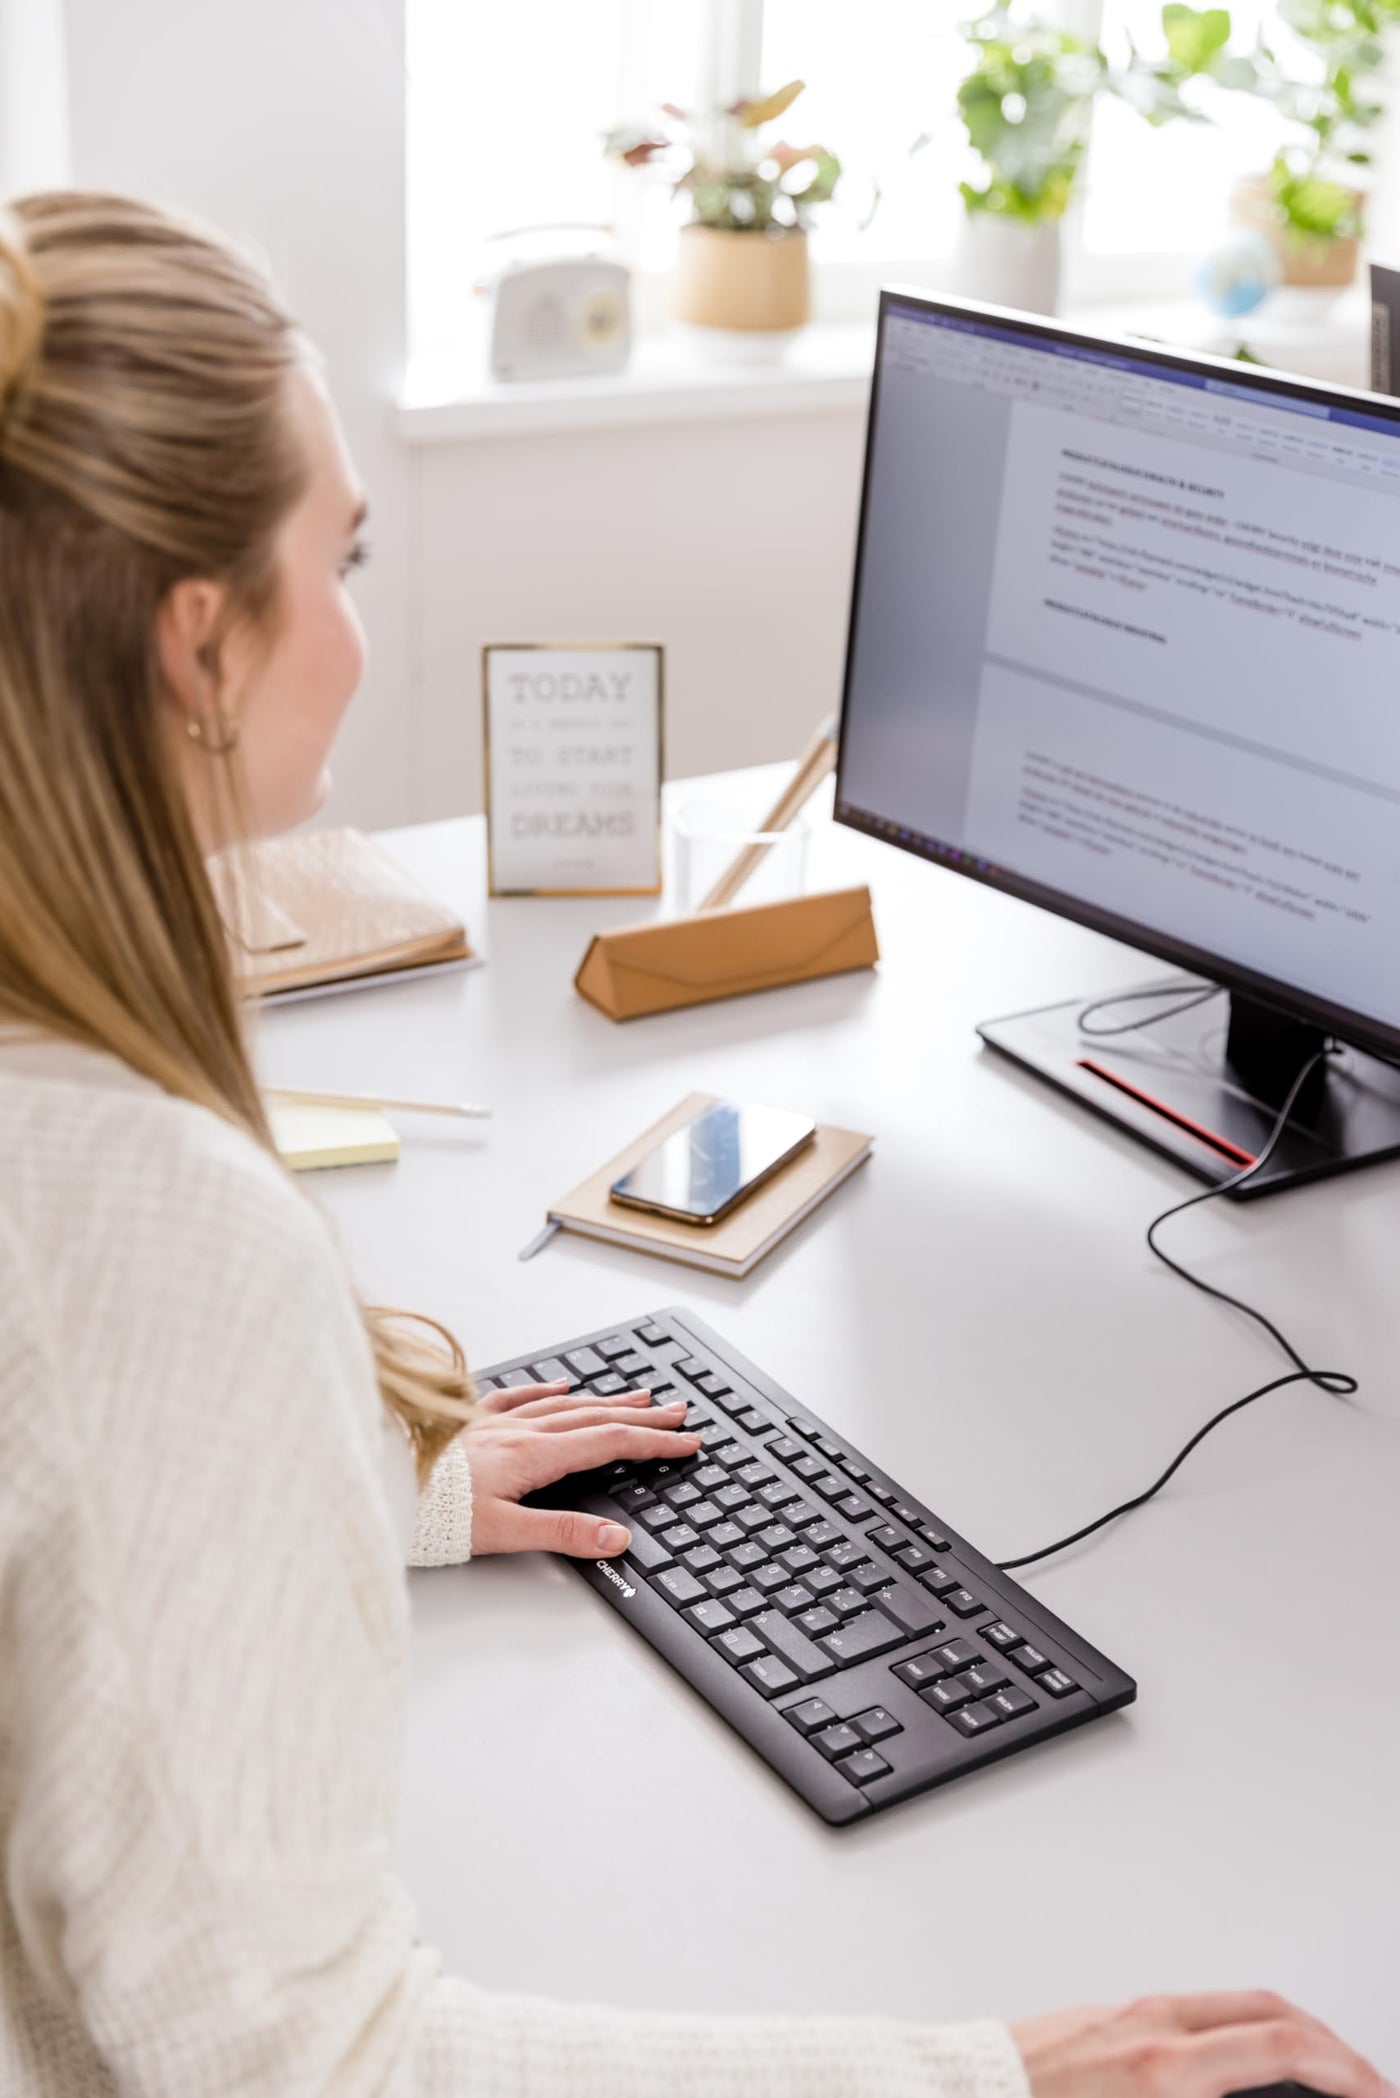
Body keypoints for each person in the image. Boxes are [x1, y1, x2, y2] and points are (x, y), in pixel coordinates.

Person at [0, 188, 1388, 2098]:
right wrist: (998, 2074)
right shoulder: (146, 1222)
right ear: (196, 643)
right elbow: (293, 2065)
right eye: (350, 554)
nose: (360, 626)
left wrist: (323, 1479)